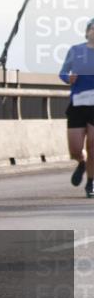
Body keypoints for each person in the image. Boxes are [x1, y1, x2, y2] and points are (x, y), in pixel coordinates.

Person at [59, 17, 94, 198]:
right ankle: (81, 162)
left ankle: (90, 183)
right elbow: (63, 72)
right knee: (75, 149)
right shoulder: (76, 50)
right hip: (78, 103)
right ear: (87, 31)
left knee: (93, 146)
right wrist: (68, 78)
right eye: (93, 28)